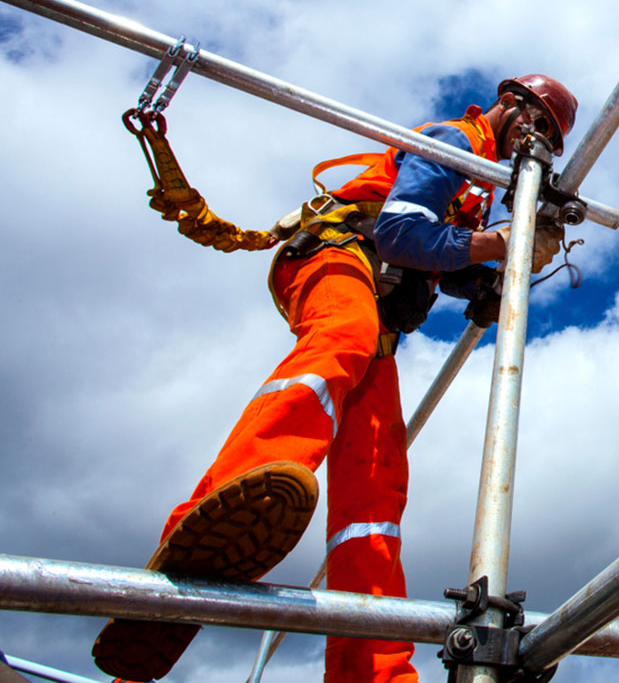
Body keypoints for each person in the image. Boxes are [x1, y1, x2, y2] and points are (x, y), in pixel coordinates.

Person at [92, 75, 578, 683]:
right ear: (511, 105)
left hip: (378, 309)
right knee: (340, 339)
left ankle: (371, 668)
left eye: (551, 144)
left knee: (377, 478)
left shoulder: (474, 187)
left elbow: (437, 255)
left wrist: (485, 282)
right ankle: (229, 502)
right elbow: (401, 233)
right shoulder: (453, 144)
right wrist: (499, 244)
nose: (535, 148)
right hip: (335, 256)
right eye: (538, 128)